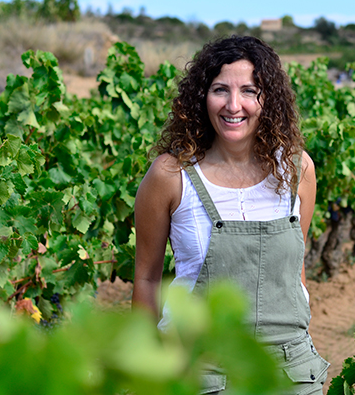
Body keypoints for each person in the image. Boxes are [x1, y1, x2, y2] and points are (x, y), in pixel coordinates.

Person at [132, 35, 329, 394]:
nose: (234, 105)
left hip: (290, 372)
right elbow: (146, 279)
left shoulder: (297, 170)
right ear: (201, 97)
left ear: (267, 100)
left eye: (249, 91)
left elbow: (294, 270)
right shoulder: (171, 176)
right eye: (220, 90)